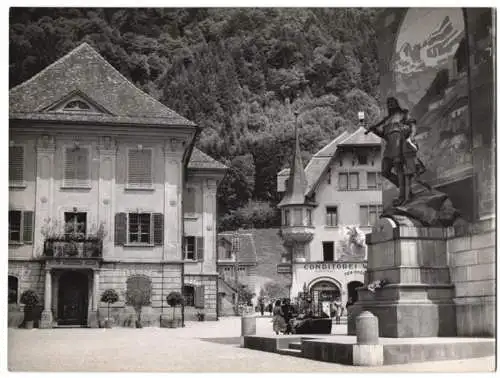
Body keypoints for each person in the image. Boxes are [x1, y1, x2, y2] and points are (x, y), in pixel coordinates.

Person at [364, 97, 426, 206]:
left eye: (392, 103)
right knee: (384, 171)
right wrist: (375, 131)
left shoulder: (403, 114)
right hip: (389, 148)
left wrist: (411, 137)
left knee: (399, 171)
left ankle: (402, 196)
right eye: (389, 103)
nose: (390, 105)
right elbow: (384, 135)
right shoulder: (386, 120)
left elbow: (412, 126)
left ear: (396, 103)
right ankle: (405, 189)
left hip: (399, 145)